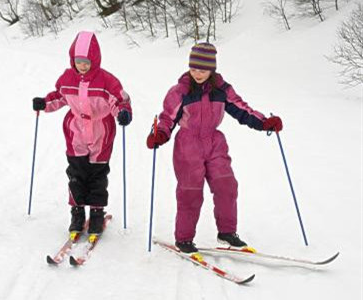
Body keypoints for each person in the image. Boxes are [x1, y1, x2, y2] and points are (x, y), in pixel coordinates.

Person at [146, 42, 282, 253]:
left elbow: (241, 109)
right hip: (188, 146)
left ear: (212, 69)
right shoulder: (179, 92)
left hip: (215, 143)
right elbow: (167, 118)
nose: (197, 74)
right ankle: (184, 239)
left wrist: (264, 122)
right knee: (190, 193)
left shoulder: (222, 90)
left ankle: (227, 233)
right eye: (193, 69)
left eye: (202, 70)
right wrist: (160, 134)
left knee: (227, 185)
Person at [33, 31, 132, 236]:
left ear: (94, 60)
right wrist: (44, 103)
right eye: (78, 61)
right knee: (76, 174)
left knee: (97, 175)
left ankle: (96, 215)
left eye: (87, 61)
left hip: (101, 132)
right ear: (72, 60)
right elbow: (59, 97)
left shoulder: (106, 80)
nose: (83, 65)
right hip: (75, 131)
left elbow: (119, 100)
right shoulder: (67, 77)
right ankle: (77, 214)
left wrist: (123, 113)